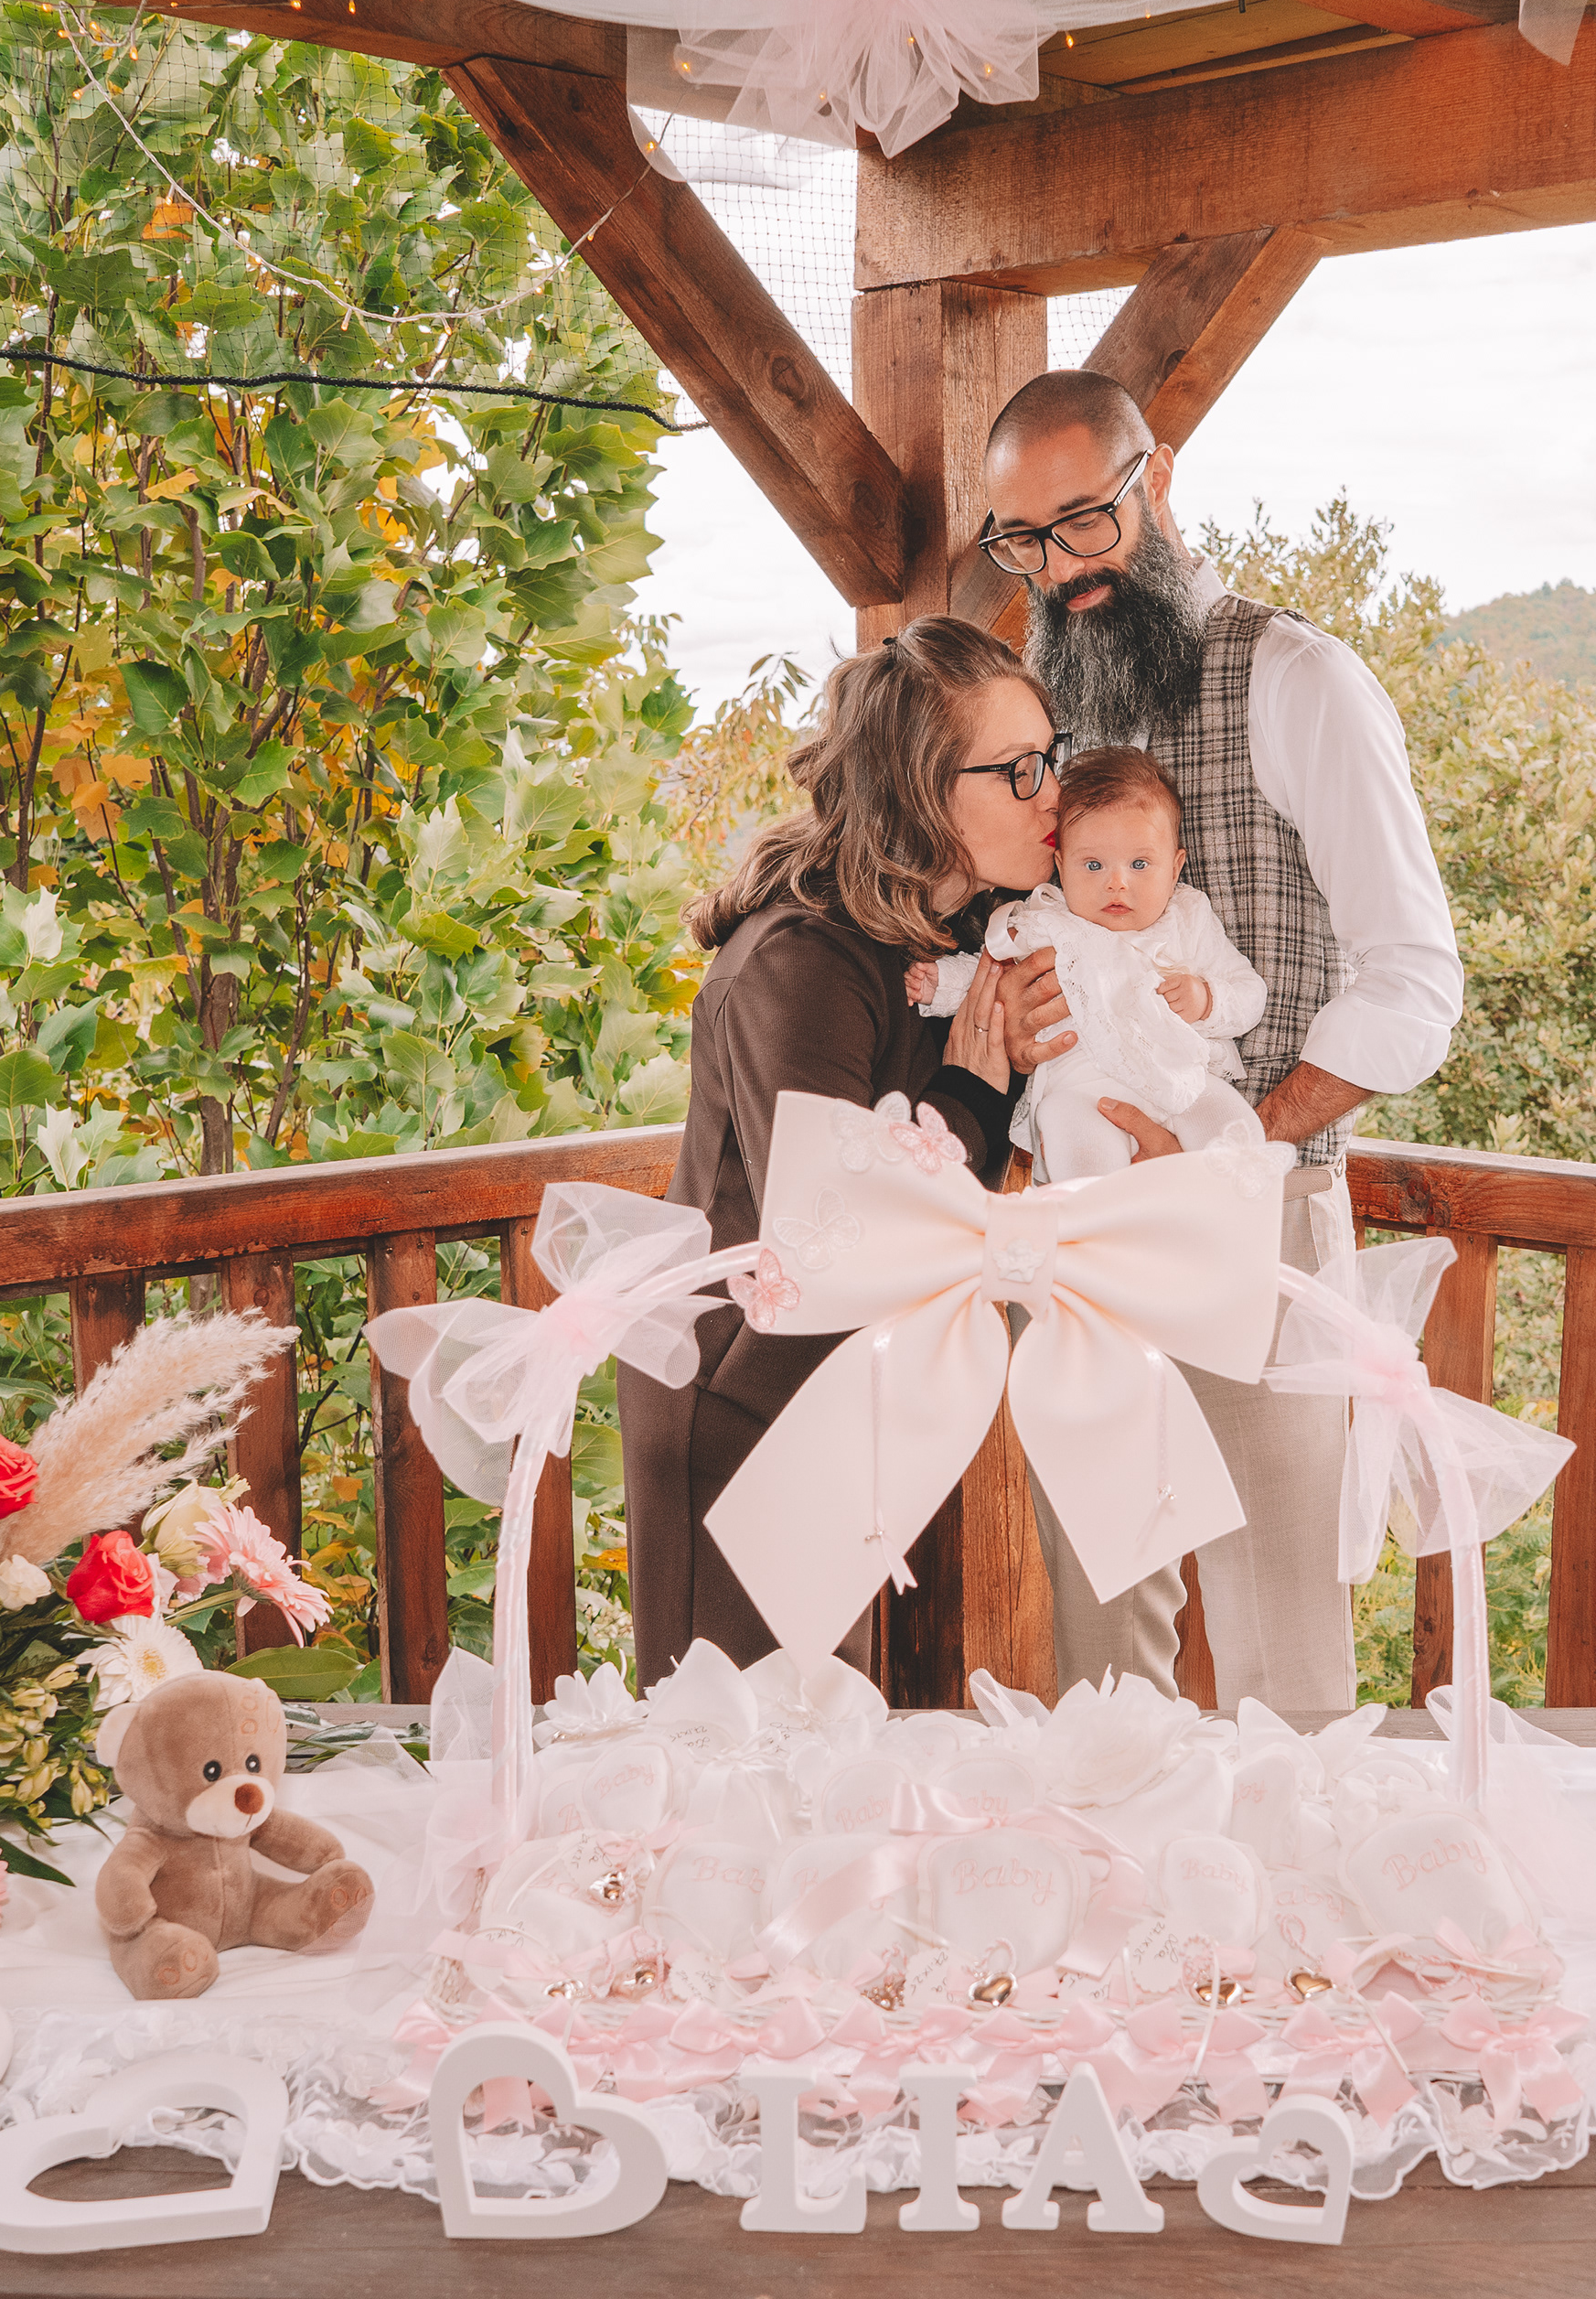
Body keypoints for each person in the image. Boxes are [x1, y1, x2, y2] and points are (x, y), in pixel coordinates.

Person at [976, 367, 1464, 1714]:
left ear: (1160, 478)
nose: (1060, 567)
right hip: (1080, 1234)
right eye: (1024, 541)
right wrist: (1006, 1016)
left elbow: (1415, 983)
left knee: (1283, 1663)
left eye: (1086, 520)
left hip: (1262, 1215)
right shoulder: (1039, 708)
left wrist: (1243, 1139)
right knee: (1103, 1649)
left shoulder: (1302, 681)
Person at [623, 615, 1066, 1682]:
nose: (1052, 792)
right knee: (737, 1735)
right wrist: (975, 1085)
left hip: (843, 1382)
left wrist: (1002, 1073)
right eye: (1018, 770)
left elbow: (948, 1186)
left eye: (1052, 756)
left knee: (828, 1721)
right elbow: (836, 1228)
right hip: (740, 1398)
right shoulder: (800, 959)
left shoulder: (956, 944)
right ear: (922, 789)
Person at [907, 743, 1268, 1182]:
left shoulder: (1187, 918)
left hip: (1178, 1076)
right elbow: (990, 972)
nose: (1117, 883)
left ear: (1175, 868)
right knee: (1072, 1138)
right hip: (1079, 1088)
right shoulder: (1049, 922)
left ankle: (1229, 1209)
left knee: (1232, 1123)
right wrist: (939, 983)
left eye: (1139, 863)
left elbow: (1249, 993)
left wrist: (1207, 999)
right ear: (1061, 867)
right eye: (1093, 865)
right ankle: (1089, 1217)